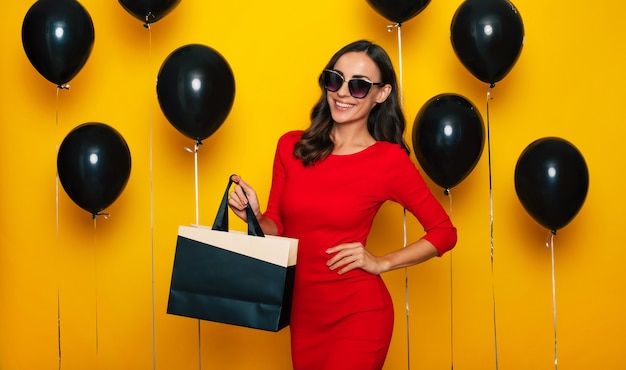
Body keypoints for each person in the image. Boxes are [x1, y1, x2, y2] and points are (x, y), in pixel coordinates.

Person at [228, 40, 457, 370]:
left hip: (359, 315)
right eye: (335, 79)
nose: (343, 93)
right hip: (304, 316)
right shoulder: (291, 145)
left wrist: (382, 262)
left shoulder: (388, 161)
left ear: (382, 93)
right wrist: (255, 215)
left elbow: (444, 233)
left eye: (359, 85)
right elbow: (277, 226)